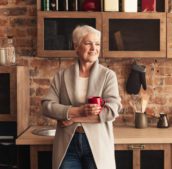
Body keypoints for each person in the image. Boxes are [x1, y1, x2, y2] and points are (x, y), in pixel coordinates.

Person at [42, 25, 122, 169]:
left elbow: (111, 111)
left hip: (97, 144)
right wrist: (79, 110)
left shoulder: (108, 76)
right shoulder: (61, 76)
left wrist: (73, 118)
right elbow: (47, 106)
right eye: (88, 43)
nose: (94, 48)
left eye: (97, 44)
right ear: (76, 46)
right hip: (68, 145)